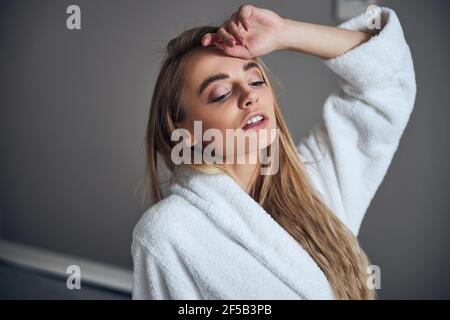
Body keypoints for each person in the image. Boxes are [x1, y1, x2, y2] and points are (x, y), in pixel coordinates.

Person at [131, 4, 416, 300]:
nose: (250, 95)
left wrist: (285, 33)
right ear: (184, 132)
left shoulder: (315, 184)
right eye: (221, 94)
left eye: (255, 80)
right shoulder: (168, 232)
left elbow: (386, 83)